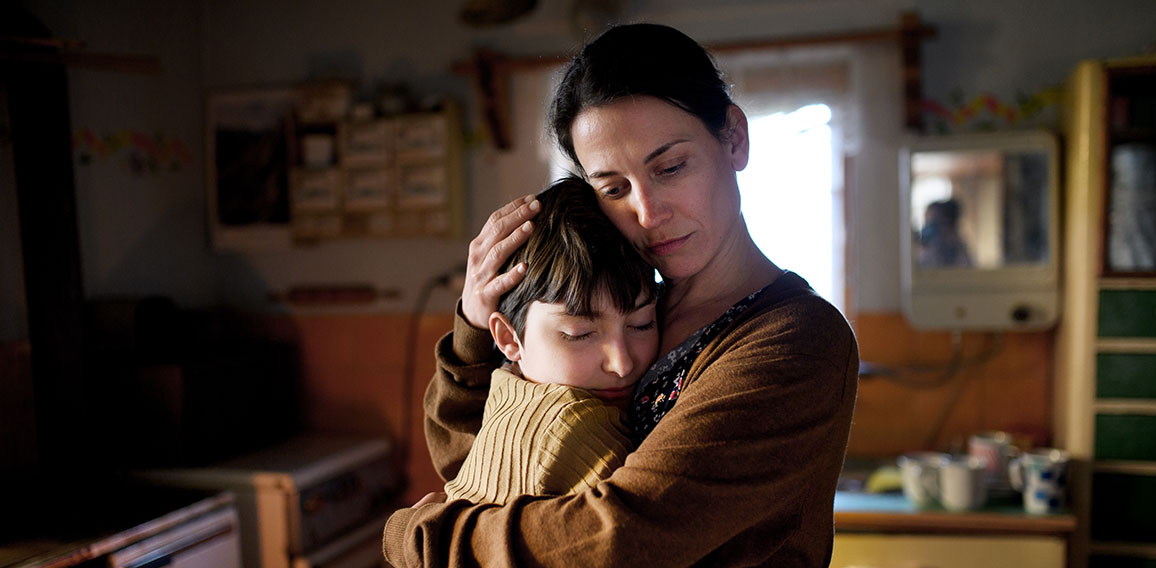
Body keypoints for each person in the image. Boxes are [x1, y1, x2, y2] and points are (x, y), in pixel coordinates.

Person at [384, 23, 859, 567]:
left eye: (672, 167)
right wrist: (475, 324)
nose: (648, 213)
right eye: (613, 187)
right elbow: (480, 460)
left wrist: (425, 540)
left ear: (733, 137)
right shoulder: (632, 311)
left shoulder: (794, 339)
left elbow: (623, 537)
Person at [442, 176, 659, 505]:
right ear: (508, 339)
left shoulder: (506, 384)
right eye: (580, 334)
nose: (622, 363)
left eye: (642, 325)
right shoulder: (579, 431)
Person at [917, 198, 972, 268]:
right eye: (927, 221)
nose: (928, 226)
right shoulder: (927, 251)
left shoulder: (960, 252)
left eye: (933, 221)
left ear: (947, 222)